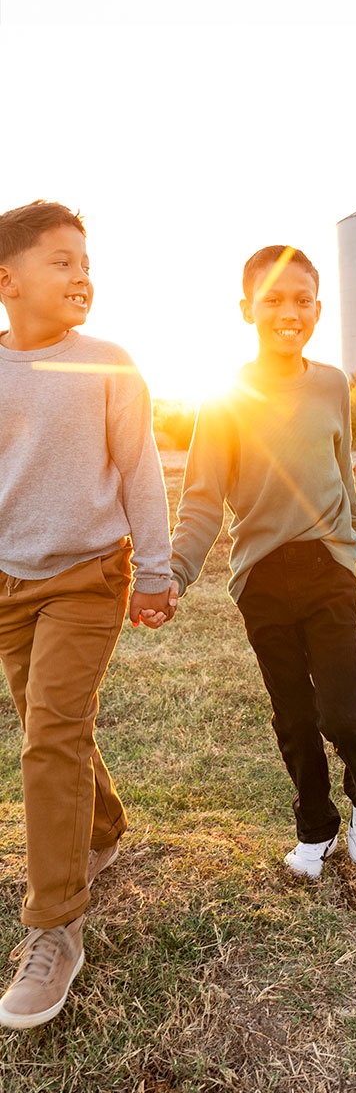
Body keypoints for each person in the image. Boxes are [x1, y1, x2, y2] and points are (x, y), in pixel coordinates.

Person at [0, 201, 173, 1030]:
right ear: (8, 281)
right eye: (61, 261)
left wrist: (156, 569)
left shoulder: (108, 363)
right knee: (48, 721)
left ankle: (55, 927)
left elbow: (141, 470)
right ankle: (102, 821)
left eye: (85, 261)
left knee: (49, 736)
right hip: (8, 581)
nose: (81, 275)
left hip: (88, 576)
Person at [169, 245, 356, 876]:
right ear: (247, 309)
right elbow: (203, 498)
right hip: (261, 575)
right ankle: (315, 829)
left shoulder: (332, 383)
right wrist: (176, 573)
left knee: (340, 707)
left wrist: (353, 529)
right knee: (293, 713)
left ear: (318, 308)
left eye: (302, 300)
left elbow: (342, 467)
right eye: (272, 300)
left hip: (326, 565)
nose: (288, 312)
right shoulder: (226, 397)